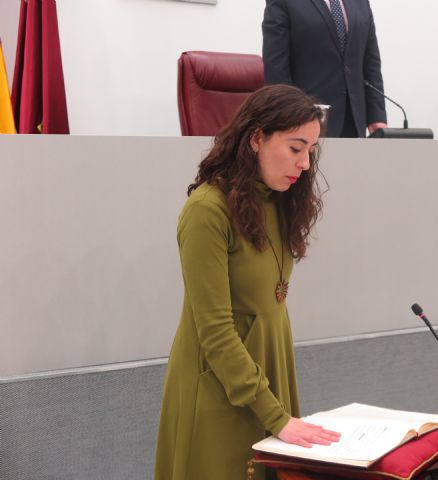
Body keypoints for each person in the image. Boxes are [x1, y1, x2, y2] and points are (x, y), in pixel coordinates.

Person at [154, 85, 341, 480]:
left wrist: (279, 407)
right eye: (295, 148)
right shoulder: (206, 210)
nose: (305, 163)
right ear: (256, 138)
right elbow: (216, 331)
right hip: (219, 393)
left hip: (268, 382)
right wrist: (274, 414)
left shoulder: (276, 201)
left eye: (310, 150)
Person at [262, 0, 388, 138]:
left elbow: (371, 62)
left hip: (353, 121)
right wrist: (287, 114)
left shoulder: (361, 2)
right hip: (305, 118)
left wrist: (377, 115)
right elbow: (276, 65)